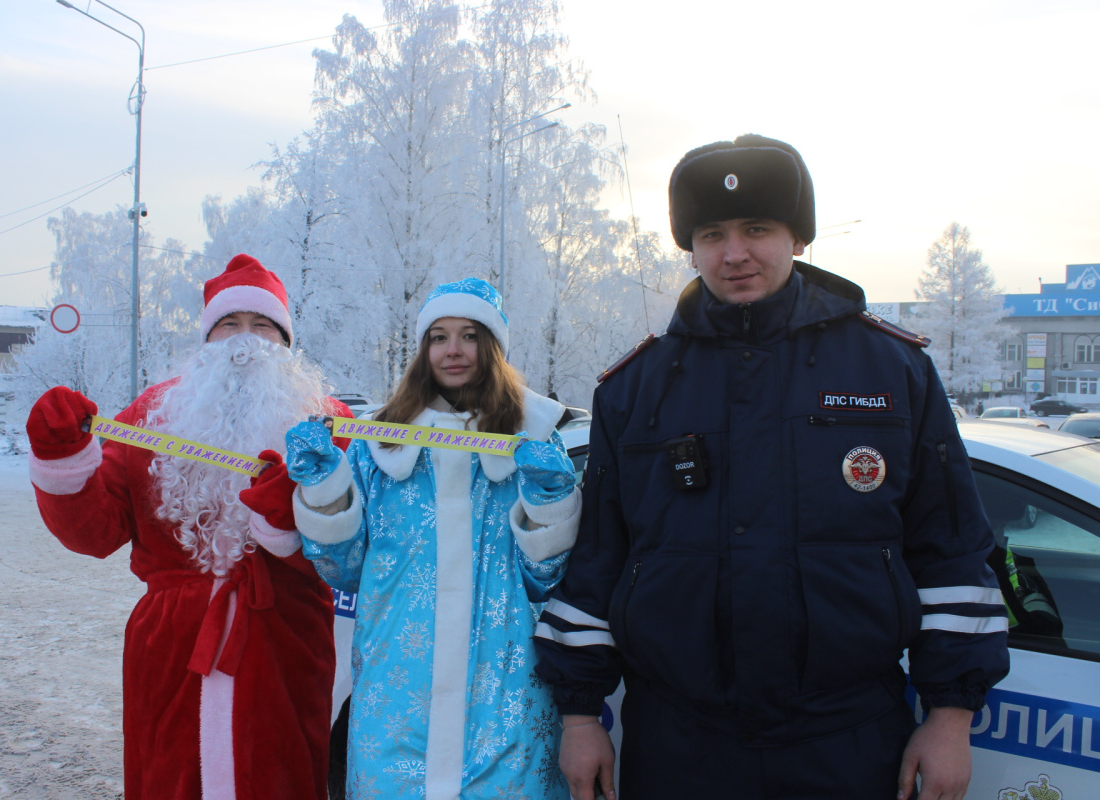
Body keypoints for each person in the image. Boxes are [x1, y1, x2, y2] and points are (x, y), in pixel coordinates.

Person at [533, 135, 1010, 800]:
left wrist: (951, 718)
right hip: (678, 745)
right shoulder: (634, 389)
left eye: (757, 228)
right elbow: (599, 562)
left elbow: (951, 551)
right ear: (690, 246)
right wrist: (581, 715)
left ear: (798, 237)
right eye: (712, 233)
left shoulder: (893, 372)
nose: (734, 254)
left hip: (848, 741)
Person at [25, 254, 349, 800]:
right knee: (169, 777)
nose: (245, 340)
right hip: (171, 649)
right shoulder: (150, 417)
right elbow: (95, 532)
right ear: (206, 337)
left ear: (286, 341)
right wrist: (63, 458)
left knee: (282, 778)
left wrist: (291, 522)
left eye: (263, 325)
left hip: (286, 643)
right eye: (229, 324)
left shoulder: (330, 422)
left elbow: (349, 551)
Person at [284, 278, 581, 800]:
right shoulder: (380, 444)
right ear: (423, 349)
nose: (453, 350)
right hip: (398, 691)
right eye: (439, 336)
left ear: (491, 346)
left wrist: (550, 500)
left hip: (504, 689)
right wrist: (323, 490)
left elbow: (543, 580)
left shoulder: (530, 439)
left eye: (469, 335)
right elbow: (344, 568)